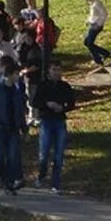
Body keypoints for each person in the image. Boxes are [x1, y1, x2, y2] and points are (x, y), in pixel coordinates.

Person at [32, 63, 77, 192]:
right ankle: (41, 175)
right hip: (46, 120)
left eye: (59, 70)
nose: (56, 72)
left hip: (59, 121)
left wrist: (63, 108)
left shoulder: (65, 86)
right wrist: (47, 104)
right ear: (49, 71)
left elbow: (72, 103)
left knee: (59, 153)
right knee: (44, 153)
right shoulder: (43, 85)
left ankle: (55, 183)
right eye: (54, 70)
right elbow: (35, 102)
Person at [0, 66, 28, 192]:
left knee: (12, 156)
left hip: (13, 127)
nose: (18, 77)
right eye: (16, 74)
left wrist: (24, 128)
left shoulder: (17, 90)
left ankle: (9, 183)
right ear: (9, 75)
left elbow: (20, 111)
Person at [83, 0, 110, 69]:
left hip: (96, 26)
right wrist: (88, 21)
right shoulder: (92, 3)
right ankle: (104, 53)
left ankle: (98, 60)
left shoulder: (97, 3)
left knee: (89, 43)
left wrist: (98, 24)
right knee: (87, 42)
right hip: (92, 25)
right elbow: (94, 15)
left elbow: (104, 14)